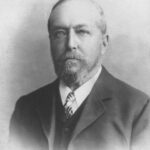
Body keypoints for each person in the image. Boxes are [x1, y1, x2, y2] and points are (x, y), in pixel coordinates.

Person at [9, 0, 150, 150]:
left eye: (82, 31)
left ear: (104, 43)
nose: (70, 44)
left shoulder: (138, 109)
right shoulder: (25, 108)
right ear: (51, 42)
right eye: (60, 33)